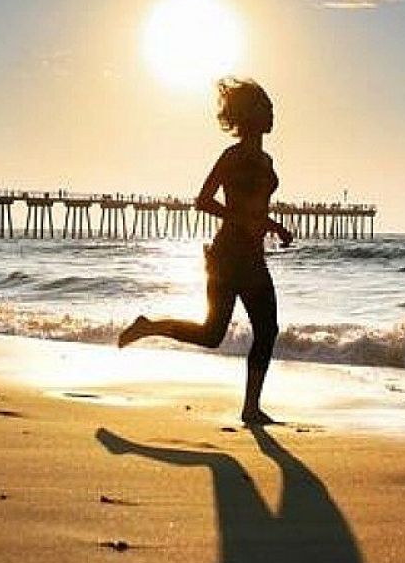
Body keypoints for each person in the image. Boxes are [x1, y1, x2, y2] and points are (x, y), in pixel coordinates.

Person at [118, 77, 292, 425]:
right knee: (212, 335)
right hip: (227, 256)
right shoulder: (232, 156)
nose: (272, 114)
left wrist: (273, 226)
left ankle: (251, 407)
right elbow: (203, 200)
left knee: (268, 330)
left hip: (254, 257)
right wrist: (240, 218)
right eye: (266, 108)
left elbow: (254, 211)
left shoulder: (267, 160)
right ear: (250, 115)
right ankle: (149, 326)